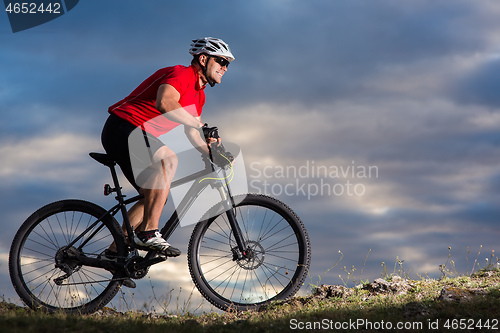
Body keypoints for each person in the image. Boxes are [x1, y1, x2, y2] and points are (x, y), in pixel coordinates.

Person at [100, 37, 235, 258]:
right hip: (123, 127)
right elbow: (165, 102)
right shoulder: (181, 74)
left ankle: (115, 252)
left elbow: (192, 133)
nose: (225, 68)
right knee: (168, 160)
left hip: (136, 136)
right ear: (203, 58)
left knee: (152, 196)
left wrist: (215, 152)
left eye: (227, 64)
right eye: (221, 61)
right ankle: (148, 233)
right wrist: (200, 125)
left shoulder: (199, 95)